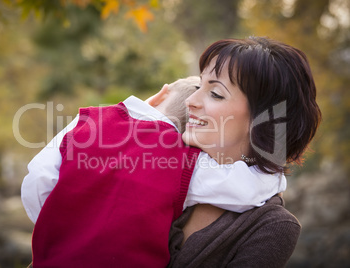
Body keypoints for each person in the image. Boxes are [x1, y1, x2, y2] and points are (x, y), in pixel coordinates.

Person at [22, 77, 286, 267]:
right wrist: (276, 175)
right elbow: (243, 191)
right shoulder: (183, 160)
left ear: (160, 94)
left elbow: (37, 178)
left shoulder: (88, 120)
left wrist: (60, 225)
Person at [167, 37, 322, 267]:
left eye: (216, 93)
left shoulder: (272, 227)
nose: (191, 101)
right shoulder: (164, 166)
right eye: (200, 86)